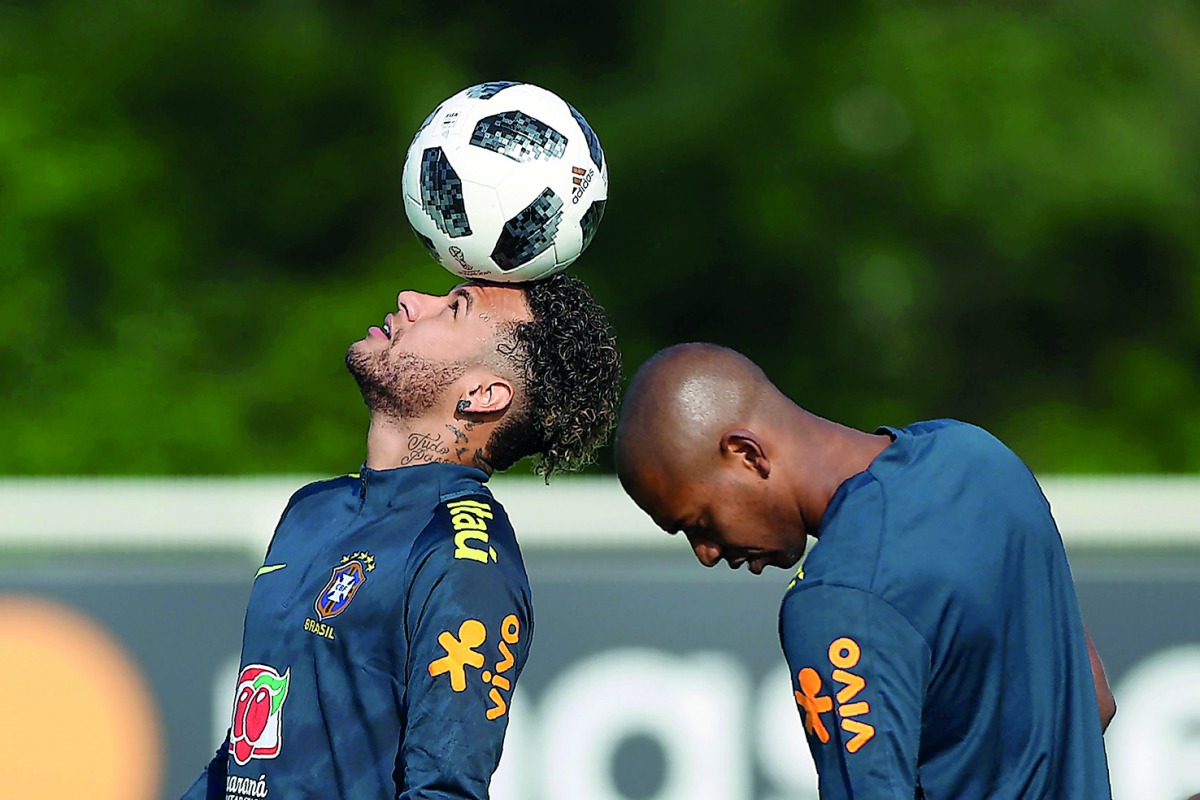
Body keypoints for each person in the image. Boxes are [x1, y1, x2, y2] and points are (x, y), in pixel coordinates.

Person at [183, 273, 621, 800]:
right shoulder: (313, 509)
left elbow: (444, 792)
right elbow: (244, 763)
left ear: (481, 394)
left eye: (455, 308)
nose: (411, 300)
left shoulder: (464, 558)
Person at [614, 342, 1114, 799]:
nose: (705, 553)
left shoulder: (838, 596)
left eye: (698, 522)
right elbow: (1093, 700)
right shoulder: (979, 454)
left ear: (747, 454)